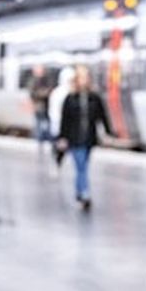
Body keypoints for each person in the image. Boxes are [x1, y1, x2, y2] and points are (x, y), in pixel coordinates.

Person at [56, 65, 114, 210]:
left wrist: (108, 133)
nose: (85, 80)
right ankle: (85, 193)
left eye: (86, 77)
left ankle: (79, 192)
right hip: (74, 139)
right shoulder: (70, 98)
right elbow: (65, 120)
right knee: (81, 167)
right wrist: (62, 137)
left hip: (88, 138)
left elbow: (102, 116)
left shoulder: (94, 98)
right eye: (82, 77)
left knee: (83, 167)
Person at [28, 64, 54, 150]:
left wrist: (42, 93)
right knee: (39, 124)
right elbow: (32, 93)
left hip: (46, 107)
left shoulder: (47, 80)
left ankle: (46, 141)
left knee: (46, 124)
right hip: (38, 107)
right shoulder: (33, 81)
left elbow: (50, 91)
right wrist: (42, 93)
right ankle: (40, 142)